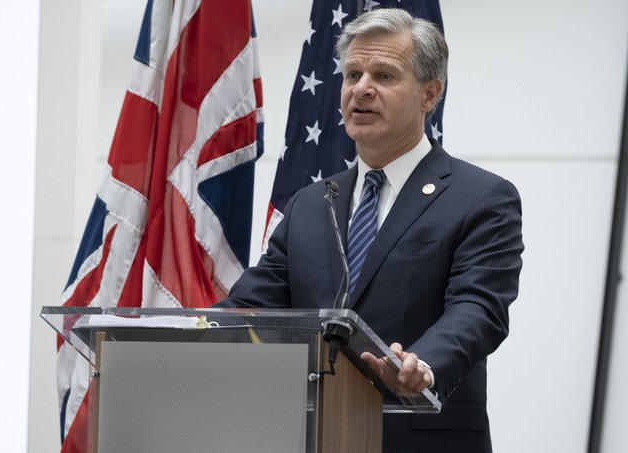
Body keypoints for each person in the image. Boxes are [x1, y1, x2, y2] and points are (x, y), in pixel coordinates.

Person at [217, 8, 524, 453]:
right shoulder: (308, 204)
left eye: (383, 75)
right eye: (352, 74)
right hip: (314, 436)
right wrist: (175, 335)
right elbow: (251, 307)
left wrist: (421, 365)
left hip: (423, 439)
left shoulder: (480, 197)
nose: (361, 89)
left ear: (429, 94)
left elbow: (479, 308)